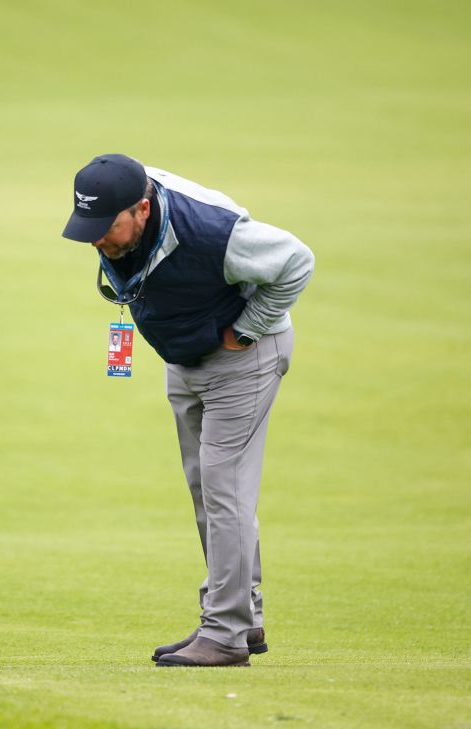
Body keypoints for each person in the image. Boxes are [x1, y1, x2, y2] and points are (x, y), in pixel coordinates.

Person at [62, 154, 314, 667]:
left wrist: (244, 329)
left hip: (244, 358)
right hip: (186, 356)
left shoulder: (213, 231)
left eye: (106, 228)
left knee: (226, 492)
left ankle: (224, 634)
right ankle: (245, 617)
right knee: (208, 490)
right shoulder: (120, 211)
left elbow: (296, 260)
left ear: (142, 208)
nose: (96, 241)